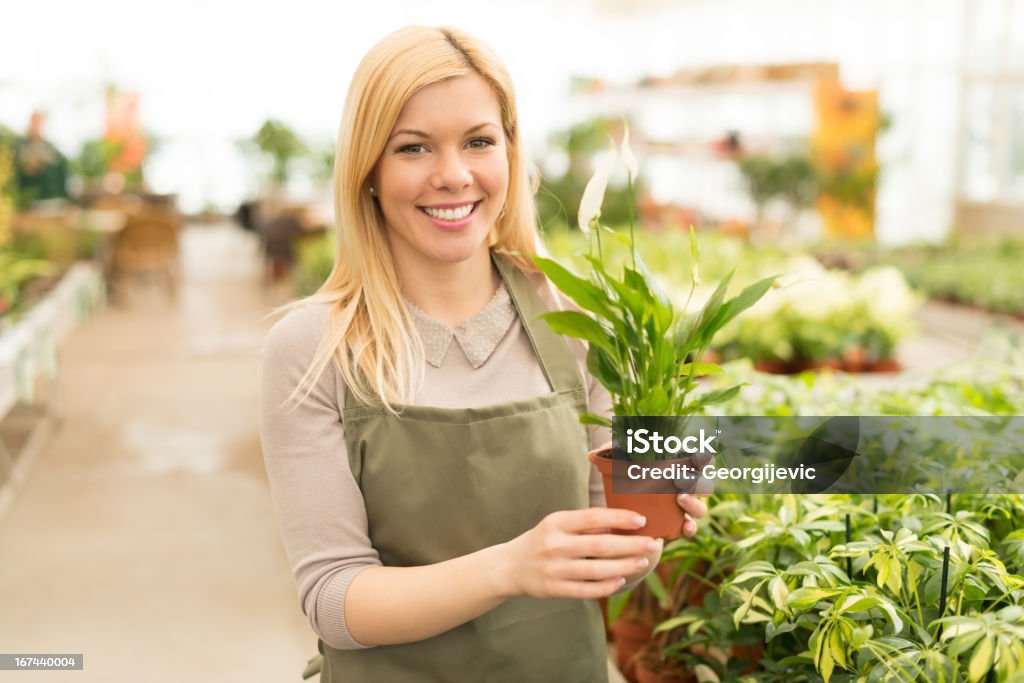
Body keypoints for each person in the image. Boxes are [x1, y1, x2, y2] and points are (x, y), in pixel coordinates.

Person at [259, 25, 708, 682]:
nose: (453, 174)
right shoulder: (311, 347)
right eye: (413, 147)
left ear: (510, 153)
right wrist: (510, 566)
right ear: (370, 171)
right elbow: (333, 598)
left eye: (478, 141)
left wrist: (652, 524)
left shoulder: (575, 318)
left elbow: (601, 559)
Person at [13, 111, 70, 205]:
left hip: (53, 199)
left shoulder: (52, 150)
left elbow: (62, 175)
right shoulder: (20, 147)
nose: (38, 127)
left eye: (41, 123)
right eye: (36, 122)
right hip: (29, 200)